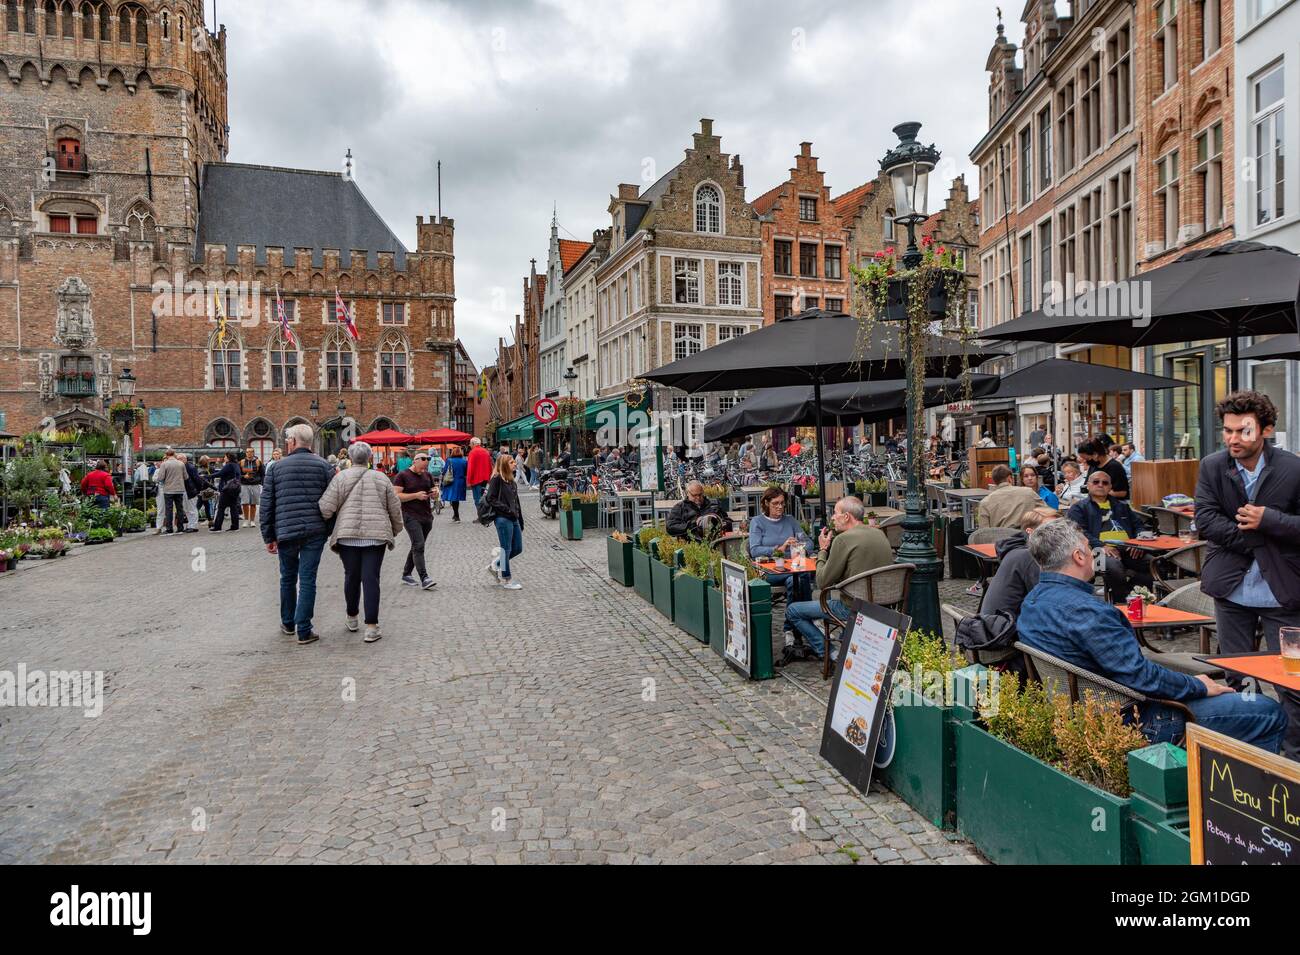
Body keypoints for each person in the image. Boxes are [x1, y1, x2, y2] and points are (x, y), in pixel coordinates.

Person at [1017, 519, 1287, 751]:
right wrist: (1200, 686)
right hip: (1136, 720)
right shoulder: (1089, 612)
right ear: (1078, 556)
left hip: (1082, 713)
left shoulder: (1031, 603)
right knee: (1267, 710)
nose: (1092, 555)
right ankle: (1246, 800)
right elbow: (1141, 677)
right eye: (1089, 550)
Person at [1195, 390, 1300, 759]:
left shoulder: (1293, 468)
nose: (1233, 439)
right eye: (1227, 431)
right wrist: (1256, 539)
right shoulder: (1212, 465)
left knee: (1292, 681)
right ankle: (1244, 752)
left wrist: (1268, 519)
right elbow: (1205, 518)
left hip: (1283, 591)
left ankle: (1292, 757)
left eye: (1243, 431)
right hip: (1231, 588)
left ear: (1266, 430)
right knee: (1238, 675)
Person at [782, 496, 893, 661]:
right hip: (884, 606)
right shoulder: (879, 533)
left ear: (847, 516)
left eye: (835, 513)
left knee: (793, 611)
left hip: (852, 608)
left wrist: (823, 549)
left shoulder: (843, 539)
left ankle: (831, 654)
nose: (832, 518)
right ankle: (843, 642)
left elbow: (822, 582)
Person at [319, 441, 404, 644]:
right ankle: (372, 627)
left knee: (351, 576)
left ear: (350, 458)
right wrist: (395, 529)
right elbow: (395, 507)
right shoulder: (381, 478)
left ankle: (352, 616)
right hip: (375, 536)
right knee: (371, 578)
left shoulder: (341, 478)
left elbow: (325, 507)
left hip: (348, 536)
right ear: (369, 458)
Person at [259, 424, 334, 645]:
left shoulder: (275, 468)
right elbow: (332, 502)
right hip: (314, 531)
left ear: (292, 441)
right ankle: (304, 629)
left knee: (288, 577)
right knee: (308, 579)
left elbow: (266, 505)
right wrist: (327, 529)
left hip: (285, 532)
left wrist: (268, 535)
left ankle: (288, 622)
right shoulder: (324, 466)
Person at [1066, 469, 1152, 601]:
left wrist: (1139, 543)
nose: (1100, 485)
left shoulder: (1122, 506)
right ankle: (1121, 603)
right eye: (1096, 482)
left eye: (1105, 483)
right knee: (1114, 568)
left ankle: (1134, 597)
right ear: (1088, 485)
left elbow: (1140, 525)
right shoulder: (1079, 508)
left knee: (1154, 563)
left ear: (1110, 487)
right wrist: (1101, 546)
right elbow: (1078, 532)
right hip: (1095, 552)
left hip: (1128, 549)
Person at [749, 487, 815, 603]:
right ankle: (806, 614)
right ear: (766, 503)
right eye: (775, 503)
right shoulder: (757, 522)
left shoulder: (790, 520)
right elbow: (754, 550)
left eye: (782, 503)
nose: (780, 507)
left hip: (792, 567)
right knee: (802, 574)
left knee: (794, 581)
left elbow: (809, 543)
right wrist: (779, 549)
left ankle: (793, 617)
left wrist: (800, 548)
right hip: (770, 569)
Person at [392, 451, 437, 591]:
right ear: (415, 461)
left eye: (426, 467)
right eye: (422, 466)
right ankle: (424, 578)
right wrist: (415, 496)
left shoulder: (427, 475)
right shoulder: (402, 475)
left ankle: (406, 574)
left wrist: (435, 493)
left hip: (426, 515)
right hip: (409, 515)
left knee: (417, 545)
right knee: (419, 544)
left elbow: (433, 491)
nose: (423, 470)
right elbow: (396, 496)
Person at [480, 452, 526, 590]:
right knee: (506, 549)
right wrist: (506, 509)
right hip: (502, 518)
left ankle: (495, 565)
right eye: (512, 462)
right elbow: (490, 498)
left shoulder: (511, 480)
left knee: (517, 548)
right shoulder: (496, 479)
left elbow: (516, 500)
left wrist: (520, 517)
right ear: (505, 464)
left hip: (514, 518)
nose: (514, 464)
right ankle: (507, 580)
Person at [977, 464, 1043, 529]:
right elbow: (1047, 512)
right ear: (1009, 479)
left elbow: (984, 532)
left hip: (999, 538)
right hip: (1026, 537)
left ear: (994, 481)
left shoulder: (984, 503)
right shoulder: (1029, 492)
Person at [666, 481, 732, 541]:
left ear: (703, 493)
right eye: (694, 495)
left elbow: (728, 521)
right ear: (688, 493)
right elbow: (670, 527)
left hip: (715, 541)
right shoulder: (680, 507)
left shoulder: (713, 505)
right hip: (691, 543)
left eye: (700, 495)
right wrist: (693, 525)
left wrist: (722, 523)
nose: (698, 498)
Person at [154, 448, 188, 534]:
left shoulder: (164, 464)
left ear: (166, 455)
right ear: (174, 454)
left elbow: (160, 478)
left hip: (168, 489)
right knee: (180, 508)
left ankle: (169, 528)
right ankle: (180, 527)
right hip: (180, 489)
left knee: (169, 509)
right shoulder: (181, 464)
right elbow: (186, 477)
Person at [212, 451, 242, 531]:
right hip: (235, 489)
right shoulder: (236, 465)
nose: (224, 458)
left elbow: (220, 473)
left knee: (221, 507)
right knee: (233, 507)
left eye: (225, 456)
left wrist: (208, 476)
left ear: (228, 457)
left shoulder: (229, 465)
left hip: (227, 488)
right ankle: (235, 526)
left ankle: (217, 527)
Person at [440, 445, 468, 522]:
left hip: (451, 480)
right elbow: (466, 472)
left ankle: (456, 515)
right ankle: (455, 515)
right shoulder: (464, 461)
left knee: (453, 498)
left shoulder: (449, 460)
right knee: (456, 498)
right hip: (460, 481)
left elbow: (444, 471)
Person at [466, 437, 492, 514]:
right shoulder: (486, 451)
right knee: (482, 496)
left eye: (470, 444)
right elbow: (489, 465)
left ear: (473, 444)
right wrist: (490, 477)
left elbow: (470, 467)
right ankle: (483, 513)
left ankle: (481, 515)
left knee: (477, 498)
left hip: (476, 479)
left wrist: (469, 480)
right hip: (485, 478)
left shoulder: (473, 452)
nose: (470, 445)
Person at [179, 452, 203, 533]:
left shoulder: (190, 467)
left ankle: (194, 526)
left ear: (184, 459)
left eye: (180, 459)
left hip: (191, 490)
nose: (178, 460)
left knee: (192, 508)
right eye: (178, 459)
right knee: (186, 509)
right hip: (185, 490)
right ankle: (190, 525)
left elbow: (197, 479)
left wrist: (198, 490)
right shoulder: (183, 467)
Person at [240, 446, 265, 524]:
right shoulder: (242, 462)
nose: (249, 453)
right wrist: (243, 476)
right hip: (244, 485)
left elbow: (262, 474)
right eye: (247, 452)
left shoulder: (258, 462)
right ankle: (246, 520)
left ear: (253, 453)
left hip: (255, 484)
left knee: (253, 503)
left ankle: (252, 520)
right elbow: (237, 474)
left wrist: (262, 484)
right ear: (246, 453)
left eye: (251, 451)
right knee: (245, 503)